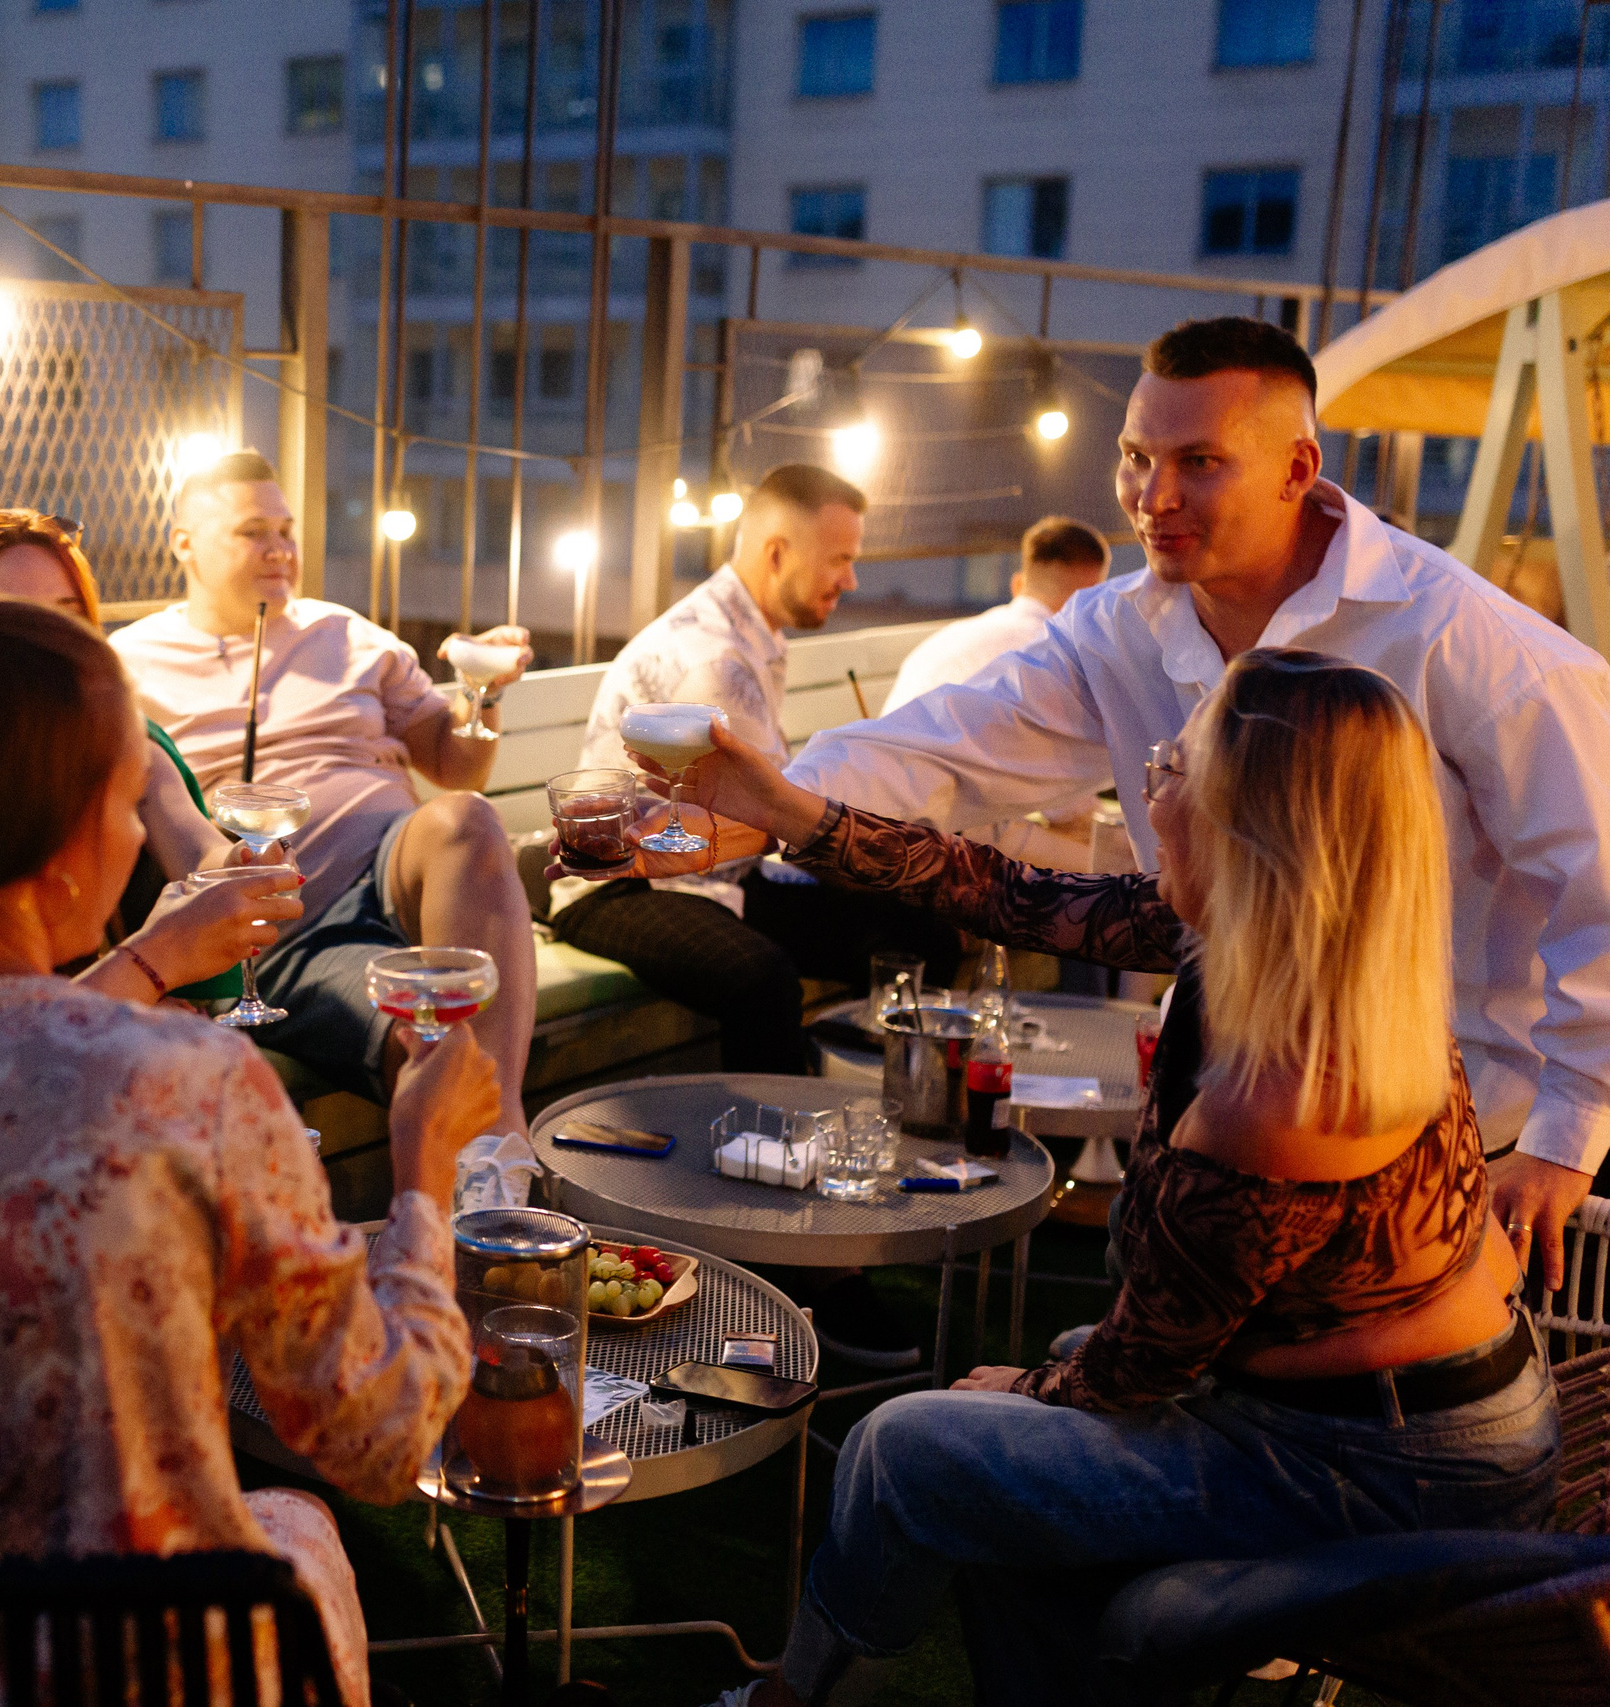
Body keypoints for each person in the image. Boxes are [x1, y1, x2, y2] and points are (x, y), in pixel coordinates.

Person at [650, 649, 1557, 1707]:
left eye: (1175, 766)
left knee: (910, 1446)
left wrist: (1029, 1389)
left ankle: (788, 1700)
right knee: (1012, 1429)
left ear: (1246, 827)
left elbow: (1140, 1369)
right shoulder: (1298, 952)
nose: (1151, 786)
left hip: (1373, 1474)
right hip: (1396, 1415)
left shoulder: (1284, 1096)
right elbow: (1005, 892)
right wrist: (785, 808)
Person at [0, 601, 496, 1707]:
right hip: (132, 1669)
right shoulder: (184, 1084)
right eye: (124, 804)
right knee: (297, 1519)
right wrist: (424, 1170)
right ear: (57, 842)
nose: (133, 842)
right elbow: (382, 1439)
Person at [785, 314, 1610, 1291]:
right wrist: (757, 801)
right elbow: (944, 744)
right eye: (1136, 457)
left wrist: (1564, 1142)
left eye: (1200, 461)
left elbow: (1598, 891)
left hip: (1453, 1139)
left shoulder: (1467, 642)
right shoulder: (1117, 629)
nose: (1154, 497)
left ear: (1297, 467)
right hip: (1237, 1099)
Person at [549, 464, 958, 1368]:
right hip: (617, 885)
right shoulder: (716, 656)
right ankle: (788, 1252)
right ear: (777, 551)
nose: (850, 580)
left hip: (712, 872)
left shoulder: (749, 632)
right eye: (840, 560)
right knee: (761, 976)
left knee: (916, 928)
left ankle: (882, 1159)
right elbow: (723, 831)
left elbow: (753, 833)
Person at [110, 448, 541, 1132]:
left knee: (466, 819)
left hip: (399, 869)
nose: (280, 549)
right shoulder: (129, 664)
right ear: (184, 544)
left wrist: (482, 691)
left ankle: (501, 1144)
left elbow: (458, 766)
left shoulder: (347, 632)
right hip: (294, 923)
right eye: (254, 532)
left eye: (286, 532)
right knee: (422, 1042)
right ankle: (489, 1183)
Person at [0, 505, 302, 1008]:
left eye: (65, 614)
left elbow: (194, 848)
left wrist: (240, 864)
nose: (46, 641)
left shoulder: (122, 741)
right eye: (14, 617)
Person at [882, 516, 1110, 870]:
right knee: (1122, 868)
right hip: (946, 839)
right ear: (1094, 601)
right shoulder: (1051, 652)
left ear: (1018, 584)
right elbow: (1066, 807)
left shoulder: (957, 633)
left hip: (883, 815)